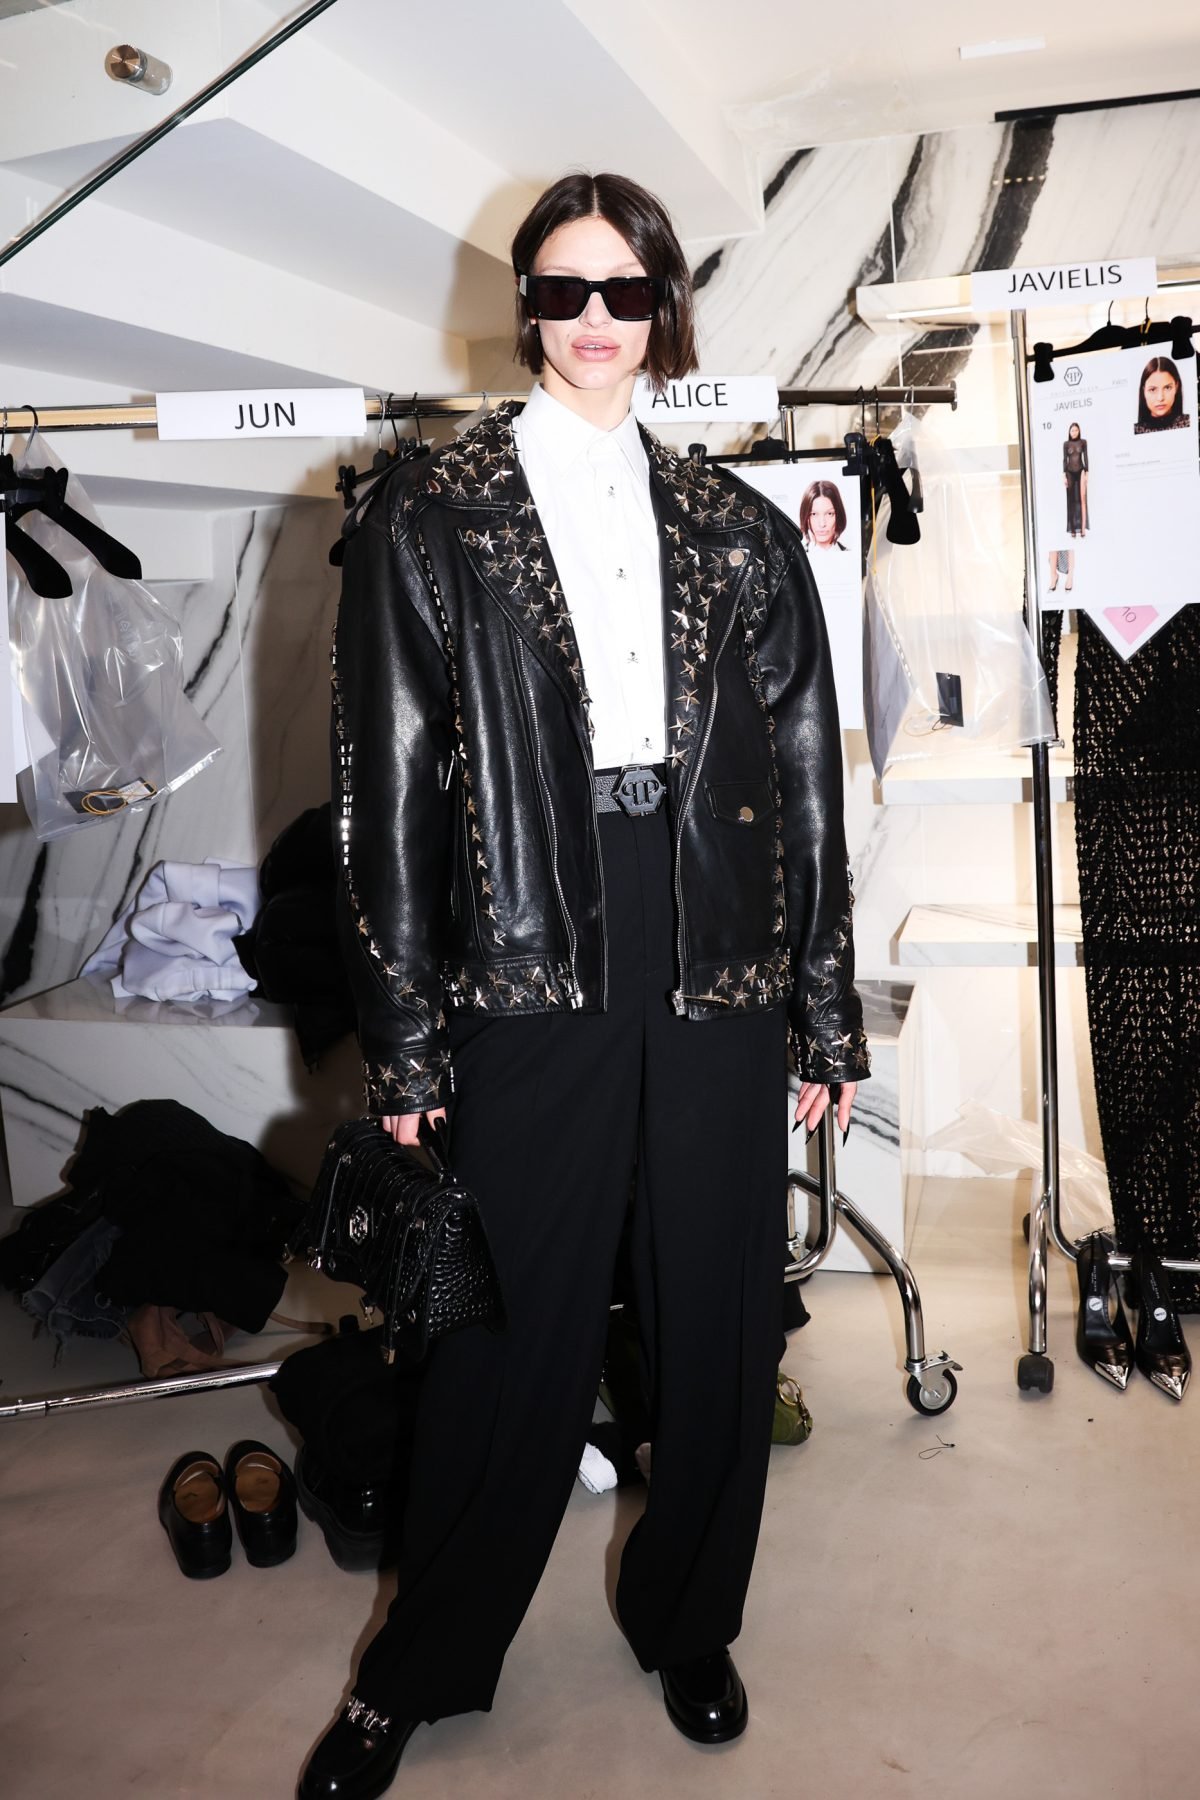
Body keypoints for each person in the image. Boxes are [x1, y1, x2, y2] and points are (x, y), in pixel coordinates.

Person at [300, 170, 868, 1800]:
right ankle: (419, 1667)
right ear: (526, 308)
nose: (596, 320)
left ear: (666, 307)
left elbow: (806, 781)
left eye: (626, 290)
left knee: (717, 1318)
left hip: (714, 941)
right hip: (525, 937)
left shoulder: (739, 529)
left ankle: (691, 1621)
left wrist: (824, 1007)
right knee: (502, 1334)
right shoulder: (430, 513)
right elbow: (385, 794)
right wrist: (406, 1046)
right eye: (564, 290)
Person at [1134, 355, 1189, 432]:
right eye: (1152, 390)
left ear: (1176, 387)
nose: (1160, 398)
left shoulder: (1190, 423)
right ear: (1144, 391)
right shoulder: (1135, 431)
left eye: (1167, 388)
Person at [799, 478, 849, 552]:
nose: (822, 524)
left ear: (839, 515)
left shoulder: (853, 555)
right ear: (805, 517)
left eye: (829, 514)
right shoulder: (795, 557)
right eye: (814, 514)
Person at [1063, 422, 1088, 536]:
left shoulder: (1083, 442)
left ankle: (1083, 529)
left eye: (1076, 430)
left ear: (1079, 431)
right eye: (1072, 430)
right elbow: (1064, 460)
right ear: (1069, 432)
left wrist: (1087, 473)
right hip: (1069, 472)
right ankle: (1072, 529)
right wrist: (1064, 475)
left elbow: (1086, 457)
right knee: (1071, 500)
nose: (1074, 432)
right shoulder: (1066, 444)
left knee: (1082, 498)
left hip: (1081, 471)